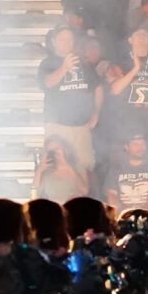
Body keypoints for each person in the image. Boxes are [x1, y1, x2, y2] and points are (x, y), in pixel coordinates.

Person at [41, 28, 102, 180]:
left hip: (81, 126)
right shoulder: (48, 63)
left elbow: (98, 87)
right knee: (56, 167)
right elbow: (47, 83)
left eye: (69, 39)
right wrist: (64, 68)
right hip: (58, 126)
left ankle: (82, 202)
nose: (67, 42)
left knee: (84, 167)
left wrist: (96, 112)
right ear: (54, 42)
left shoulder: (81, 62)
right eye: (62, 39)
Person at [105, 132, 148, 211]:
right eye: (136, 144)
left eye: (143, 144)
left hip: (147, 216)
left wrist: (142, 213)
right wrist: (124, 213)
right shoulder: (116, 170)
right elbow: (112, 196)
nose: (141, 148)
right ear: (126, 147)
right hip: (123, 216)